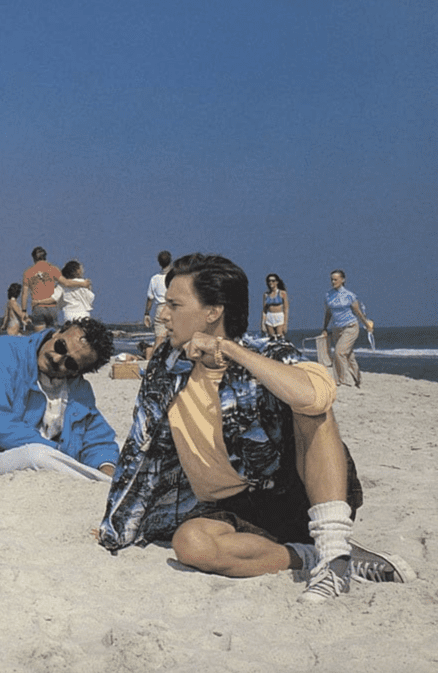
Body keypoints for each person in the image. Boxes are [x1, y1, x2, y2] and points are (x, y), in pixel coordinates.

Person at [96, 254, 413, 603]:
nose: (162, 313)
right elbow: (139, 450)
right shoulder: (165, 367)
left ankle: (334, 547)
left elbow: (318, 395)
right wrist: (115, 525)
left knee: (311, 407)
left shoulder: (268, 352)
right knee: (191, 544)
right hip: (232, 508)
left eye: (174, 304)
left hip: (296, 493)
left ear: (213, 312)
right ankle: (315, 557)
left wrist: (230, 350)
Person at [0, 318, 119, 482]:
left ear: (77, 372)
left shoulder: (79, 390)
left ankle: (106, 483)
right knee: (37, 455)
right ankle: (105, 485)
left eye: (70, 363)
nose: (57, 359)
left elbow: (97, 436)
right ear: (57, 332)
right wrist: (59, 453)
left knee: (120, 447)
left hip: (49, 457)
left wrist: (106, 466)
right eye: (60, 346)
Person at [322, 270, 374, 387]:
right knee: (348, 355)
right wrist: (324, 328)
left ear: (343, 280)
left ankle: (341, 380)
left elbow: (358, 312)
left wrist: (366, 325)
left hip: (350, 327)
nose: (333, 282)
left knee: (339, 353)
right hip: (336, 328)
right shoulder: (328, 295)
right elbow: (328, 313)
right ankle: (357, 378)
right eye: (332, 279)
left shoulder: (349, 295)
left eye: (335, 279)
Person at [21, 246, 91, 332]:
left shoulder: (28, 272)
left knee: (39, 339)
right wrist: (82, 283)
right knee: (52, 338)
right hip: (52, 308)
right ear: (45, 257)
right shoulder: (53, 269)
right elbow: (66, 283)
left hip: (38, 307)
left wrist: (23, 311)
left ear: (33, 258)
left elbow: (24, 293)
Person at [143, 250, 172, 353]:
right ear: (170, 261)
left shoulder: (154, 279)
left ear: (159, 263)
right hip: (173, 307)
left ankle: (154, 363)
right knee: (176, 338)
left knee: (159, 339)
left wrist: (147, 314)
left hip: (160, 308)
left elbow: (150, 298)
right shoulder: (175, 278)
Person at [261, 273, 289, 340]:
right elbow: (264, 310)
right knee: (271, 337)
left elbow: (286, 309)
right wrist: (263, 322)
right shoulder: (266, 295)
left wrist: (285, 324)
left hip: (279, 316)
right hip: (269, 317)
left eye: (273, 281)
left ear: (277, 282)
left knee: (280, 336)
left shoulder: (283, 293)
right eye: (269, 281)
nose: (271, 282)